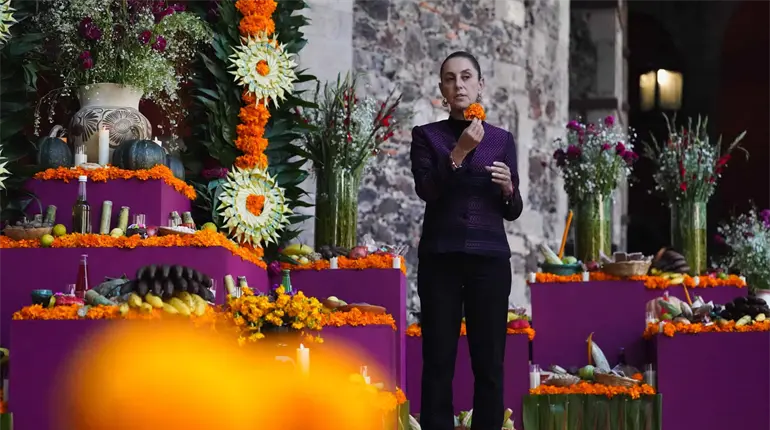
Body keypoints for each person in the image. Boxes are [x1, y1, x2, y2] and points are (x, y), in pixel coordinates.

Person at [410, 51, 524, 430]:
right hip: (440, 259)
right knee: (438, 359)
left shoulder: (502, 139)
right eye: (449, 78)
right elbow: (427, 190)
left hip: (490, 261)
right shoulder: (426, 136)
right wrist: (458, 152)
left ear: (480, 84)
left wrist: (509, 188)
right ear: (442, 90)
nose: (458, 84)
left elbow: (513, 209)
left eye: (466, 76)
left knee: (489, 362)